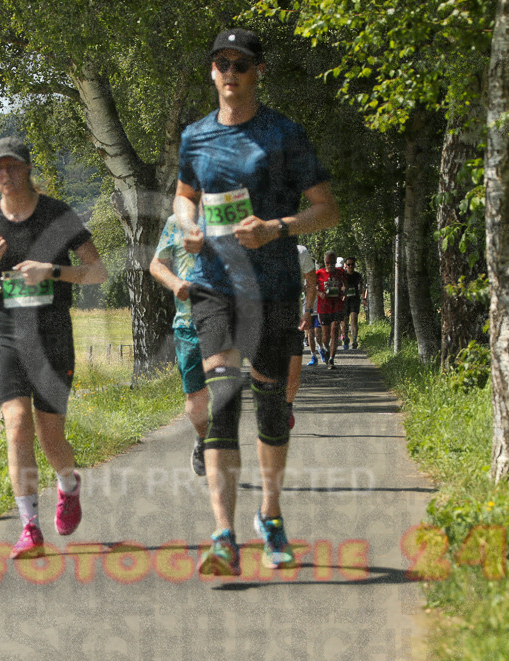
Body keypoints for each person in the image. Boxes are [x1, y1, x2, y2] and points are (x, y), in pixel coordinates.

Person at [175, 28, 340, 575]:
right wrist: (188, 227)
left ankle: (270, 515)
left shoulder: (284, 134)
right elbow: (183, 195)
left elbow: (326, 209)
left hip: (271, 285)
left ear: (257, 71)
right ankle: (222, 536)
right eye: (220, 63)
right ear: (212, 71)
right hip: (213, 284)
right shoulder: (194, 137)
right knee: (222, 400)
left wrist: (277, 227)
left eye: (240, 64)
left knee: (270, 406)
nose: (229, 72)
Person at [0, 136, 108, 560]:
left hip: (52, 334)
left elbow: (98, 271)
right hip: (7, 331)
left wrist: (53, 270)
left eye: (12, 166)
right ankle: (29, 528)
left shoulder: (58, 215)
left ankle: (68, 486)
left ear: (27, 168)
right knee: (17, 423)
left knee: (50, 434)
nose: (5, 174)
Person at [149, 215, 210, 476]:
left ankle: (222, 447)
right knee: (195, 397)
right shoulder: (178, 221)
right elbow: (157, 263)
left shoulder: (234, 210)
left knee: (223, 389)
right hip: (188, 322)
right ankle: (203, 439)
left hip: (228, 320)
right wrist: (175, 284)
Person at [285, 244, 318, 428]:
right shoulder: (256, 247)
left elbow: (312, 283)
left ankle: (287, 405)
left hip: (293, 320)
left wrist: (308, 311)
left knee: (292, 375)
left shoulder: (300, 252)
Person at [315, 250, 347, 368]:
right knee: (326, 335)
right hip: (323, 308)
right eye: (328, 263)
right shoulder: (319, 273)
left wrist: (344, 291)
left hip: (337, 306)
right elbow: (311, 287)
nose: (330, 265)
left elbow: (346, 284)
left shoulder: (340, 272)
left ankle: (332, 359)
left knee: (335, 330)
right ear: (325, 262)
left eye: (332, 263)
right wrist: (319, 293)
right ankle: (326, 349)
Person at [342, 257, 366, 349]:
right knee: (344, 321)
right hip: (344, 300)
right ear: (346, 265)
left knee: (354, 319)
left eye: (352, 264)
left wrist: (364, 298)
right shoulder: (343, 275)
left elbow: (361, 287)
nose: (350, 266)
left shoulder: (357, 275)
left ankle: (355, 340)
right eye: (349, 264)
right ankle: (345, 338)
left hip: (354, 300)